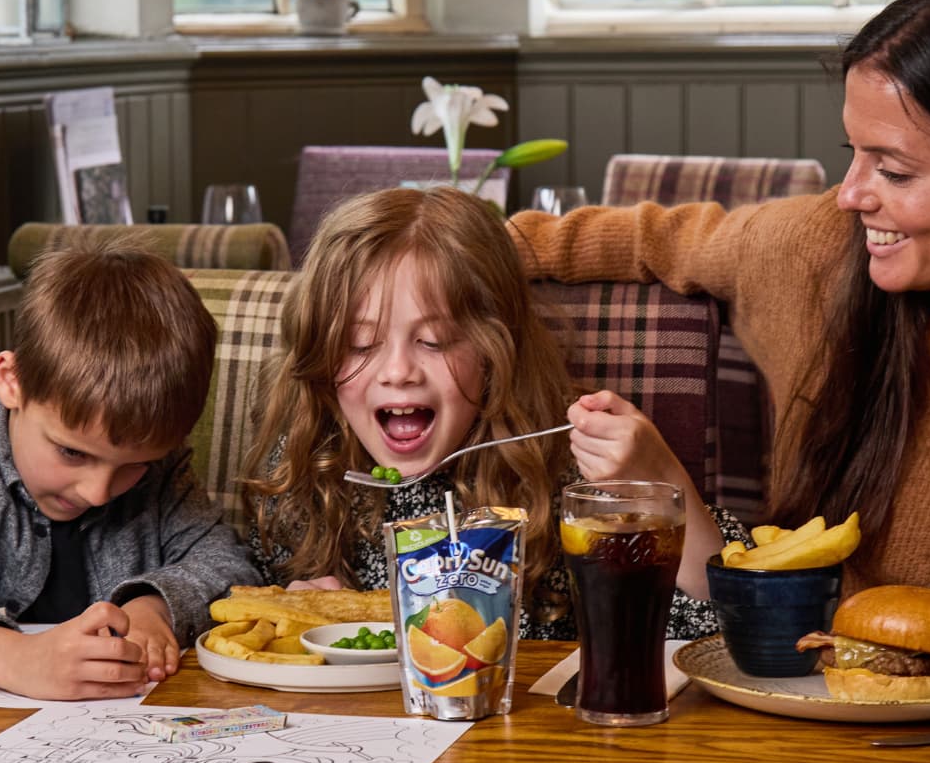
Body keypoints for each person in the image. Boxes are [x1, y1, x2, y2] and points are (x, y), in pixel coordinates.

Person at [510, 0, 930, 653]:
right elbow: (653, 237)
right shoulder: (817, 249)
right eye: (853, 154)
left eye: (895, 170)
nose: (851, 193)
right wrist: (446, 250)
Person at [244, 185, 741, 640]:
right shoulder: (310, 465)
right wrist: (298, 612)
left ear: (494, 349)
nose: (397, 371)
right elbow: (251, 605)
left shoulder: (567, 472)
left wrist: (659, 482)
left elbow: (728, 618)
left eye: (433, 341)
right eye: (359, 344)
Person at [0, 243, 264, 700]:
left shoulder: (163, 470)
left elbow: (229, 564)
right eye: (72, 453)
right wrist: (11, 657)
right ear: (11, 381)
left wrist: (154, 605)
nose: (99, 492)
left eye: (134, 466)